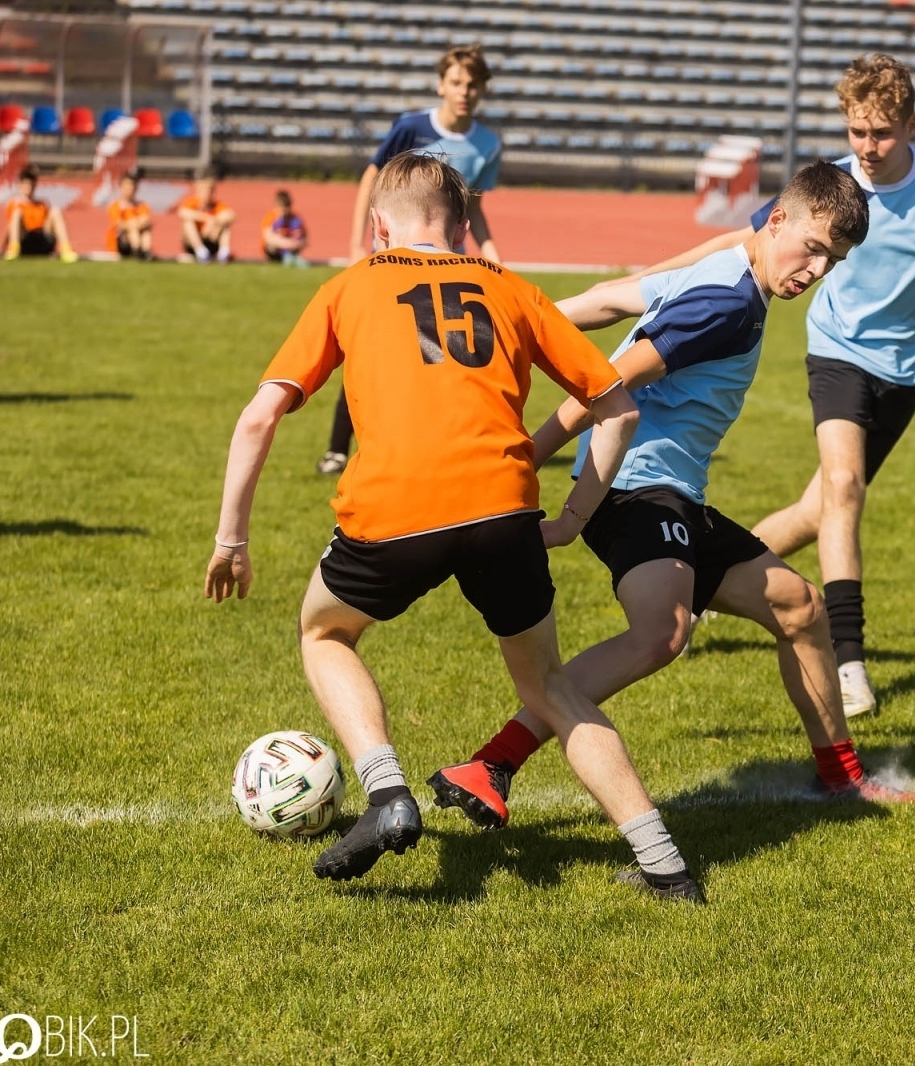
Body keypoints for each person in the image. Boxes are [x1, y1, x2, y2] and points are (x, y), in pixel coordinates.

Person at [204, 153, 704, 902]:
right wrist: (574, 514)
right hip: (505, 507)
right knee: (550, 688)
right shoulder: (512, 288)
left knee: (324, 634)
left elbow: (258, 417)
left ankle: (386, 793)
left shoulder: (351, 286)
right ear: (466, 227)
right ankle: (665, 866)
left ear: (379, 226)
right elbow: (618, 407)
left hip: (392, 507)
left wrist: (230, 541)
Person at [429, 162, 915, 840]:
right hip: (633, 486)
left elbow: (608, 299)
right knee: (663, 632)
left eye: (832, 261)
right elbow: (600, 392)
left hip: (676, 494)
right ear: (776, 220)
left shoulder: (724, 267)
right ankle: (492, 762)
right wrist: (518, 469)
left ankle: (841, 776)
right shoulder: (728, 303)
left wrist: (507, 320)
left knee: (799, 608)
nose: (816, 271)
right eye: (812, 248)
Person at [607, 53, 915, 716]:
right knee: (844, 489)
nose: (868, 148)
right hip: (838, 353)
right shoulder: (831, 189)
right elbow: (740, 243)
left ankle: (697, 587)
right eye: (857, 131)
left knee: (820, 511)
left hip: (910, 371)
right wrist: (652, 280)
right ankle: (849, 663)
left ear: (912, 125)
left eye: (883, 133)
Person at [320, 42, 504, 476]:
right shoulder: (410, 127)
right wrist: (357, 246)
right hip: (392, 263)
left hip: (447, 267)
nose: (464, 91)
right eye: (457, 82)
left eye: (473, 84)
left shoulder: (488, 144)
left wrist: (494, 257)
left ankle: (437, 446)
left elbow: (472, 207)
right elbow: (372, 180)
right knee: (371, 350)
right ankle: (337, 448)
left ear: (482, 91)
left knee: (440, 356)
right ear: (441, 84)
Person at [4, 167, 78, 263]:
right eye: (26, 185)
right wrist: (3, 246)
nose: (28, 188)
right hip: (25, 239)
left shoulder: (42, 204)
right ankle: (14, 248)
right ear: (20, 186)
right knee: (17, 213)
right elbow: (10, 227)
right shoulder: (14, 204)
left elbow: (49, 226)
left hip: (42, 239)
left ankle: (66, 249)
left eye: (31, 185)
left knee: (55, 211)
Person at [178, 171, 235, 263]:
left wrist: (215, 221)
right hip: (194, 242)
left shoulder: (217, 205)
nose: (206, 194)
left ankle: (223, 253)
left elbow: (231, 215)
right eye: (203, 191)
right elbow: (182, 213)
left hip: (211, 239)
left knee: (225, 225)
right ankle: (201, 252)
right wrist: (207, 218)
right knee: (188, 222)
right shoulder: (192, 203)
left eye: (209, 191)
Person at [107, 170, 153, 261]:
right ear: (121, 187)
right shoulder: (116, 206)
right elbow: (118, 224)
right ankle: (137, 250)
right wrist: (133, 224)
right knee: (132, 225)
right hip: (122, 241)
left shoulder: (141, 206)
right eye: (126, 187)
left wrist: (136, 224)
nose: (129, 190)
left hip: (138, 233)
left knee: (145, 231)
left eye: (131, 187)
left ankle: (145, 252)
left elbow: (146, 221)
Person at [261, 189, 308, 265]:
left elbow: (304, 238)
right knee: (271, 246)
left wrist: (298, 243)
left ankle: (291, 258)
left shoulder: (295, 219)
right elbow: (269, 237)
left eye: (286, 208)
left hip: (291, 249)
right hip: (275, 250)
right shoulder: (270, 217)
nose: (284, 212)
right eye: (281, 208)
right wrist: (288, 243)